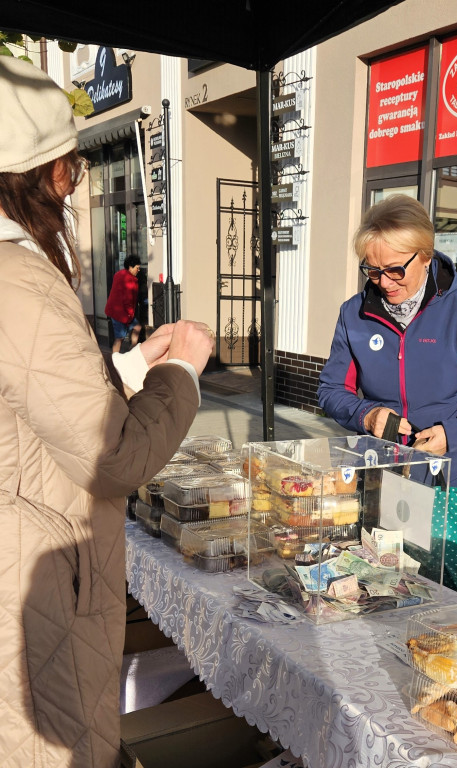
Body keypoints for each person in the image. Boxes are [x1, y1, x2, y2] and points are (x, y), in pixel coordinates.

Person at [0, 57, 214, 767]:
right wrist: (183, 367)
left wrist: (126, 371)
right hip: (35, 595)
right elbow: (114, 458)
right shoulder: (18, 281)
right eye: (70, 167)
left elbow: (30, 405)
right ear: (38, 172)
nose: (73, 185)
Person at [318, 194, 457, 492]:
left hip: (449, 475)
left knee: (440, 541)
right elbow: (331, 390)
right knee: (375, 541)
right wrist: (366, 415)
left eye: (396, 269)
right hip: (379, 471)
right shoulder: (353, 313)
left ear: (424, 255)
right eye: (373, 270)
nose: (384, 283)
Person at [105, 253, 143, 353]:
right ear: (130, 267)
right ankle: (115, 359)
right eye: (137, 268)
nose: (138, 270)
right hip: (121, 313)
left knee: (137, 327)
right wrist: (130, 315)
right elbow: (128, 299)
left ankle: (132, 349)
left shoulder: (119, 274)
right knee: (119, 338)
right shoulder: (129, 280)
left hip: (115, 310)